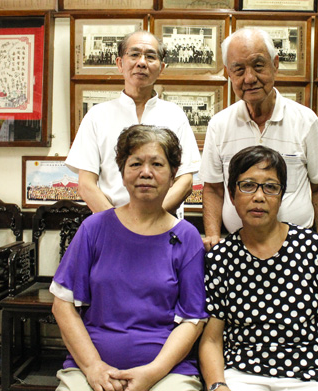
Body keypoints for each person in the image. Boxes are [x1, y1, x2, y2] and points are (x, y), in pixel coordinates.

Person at [51, 124, 208, 391]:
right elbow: (62, 305)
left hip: (166, 373)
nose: (146, 173)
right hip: (91, 368)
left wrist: (151, 373)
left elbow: (193, 321)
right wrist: (93, 367)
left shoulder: (187, 236)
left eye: (157, 164)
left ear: (172, 176)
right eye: (136, 163)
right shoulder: (94, 228)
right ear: (123, 173)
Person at [199, 145, 318, 391]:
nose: (259, 197)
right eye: (248, 185)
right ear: (232, 195)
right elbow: (211, 338)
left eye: (270, 187)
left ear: (281, 195)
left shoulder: (316, 250)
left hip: (309, 374)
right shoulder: (221, 258)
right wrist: (218, 386)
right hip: (242, 373)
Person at [199, 28, 318, 250]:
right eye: (239, 70)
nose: (249, 78)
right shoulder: (219, 124)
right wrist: (213, 237)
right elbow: (213, 188)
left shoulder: (305, 120)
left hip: (298, 250)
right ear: (228, 74)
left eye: (258, 66)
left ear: (275, 64)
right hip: (238, 250)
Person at [66, 30, 201, 217]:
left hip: (163, 225)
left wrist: (150, 220)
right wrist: (119, 225)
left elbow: (185, 181)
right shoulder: (97, 116)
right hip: (111, 225)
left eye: (150, 56)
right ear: (120, 63)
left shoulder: (175, 115)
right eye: (135, 54)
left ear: (161, 68)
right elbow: (86, 184)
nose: (142, 62)